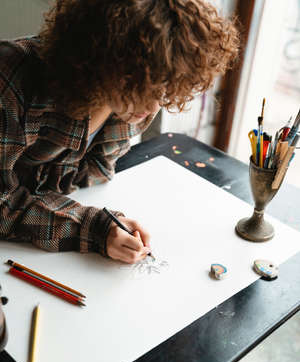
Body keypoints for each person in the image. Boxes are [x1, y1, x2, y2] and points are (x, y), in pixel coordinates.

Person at [0, 0, 239, 264]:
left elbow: (85, 181)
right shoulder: (10, 80)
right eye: (140, 86)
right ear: (102, 57)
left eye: (163, 90)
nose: (152, 107)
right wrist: (93, 229)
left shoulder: (129, 104)